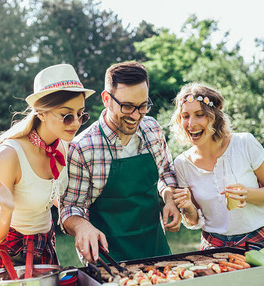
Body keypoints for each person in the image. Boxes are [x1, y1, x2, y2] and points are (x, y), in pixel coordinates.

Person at [0, 64, 95, 275]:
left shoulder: (65, 145)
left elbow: (57, 197)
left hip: (43, 246)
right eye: (66, 115)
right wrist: (6, 209)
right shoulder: (9, 156)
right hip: (6, 252)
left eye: (81, 114)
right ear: (41, 113)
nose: (75, 123)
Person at [60, 61, 181, 263]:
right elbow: (70, 207)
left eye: (143, 106)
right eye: (127, 106)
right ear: (106, 99)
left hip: (156, 248)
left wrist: (169, 198)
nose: (136, 116)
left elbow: (166, 171)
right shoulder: (82, 148)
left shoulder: (152, 129)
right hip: (108, 258)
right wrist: (82, 227)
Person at [171, 82, 264, 254]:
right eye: (185, 116)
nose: (191, 123)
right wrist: (188, 207)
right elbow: (193, 221)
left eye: (199, 115)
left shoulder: (245, 143)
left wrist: (247, 194)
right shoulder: (182, 164)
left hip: (258, 238)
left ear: (215, 117)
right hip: (213, 243)